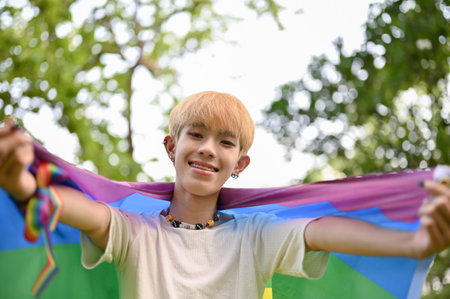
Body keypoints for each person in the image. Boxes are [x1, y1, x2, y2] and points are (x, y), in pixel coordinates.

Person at [0, 91, 449, 299]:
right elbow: (82, 212)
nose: (208, 149)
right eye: (196, 134)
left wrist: (412, 244)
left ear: (240, 165)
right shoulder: (136, 234)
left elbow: (324, 232)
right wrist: (23, 187)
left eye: (226, 142)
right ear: (172, 147)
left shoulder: (253, 236)